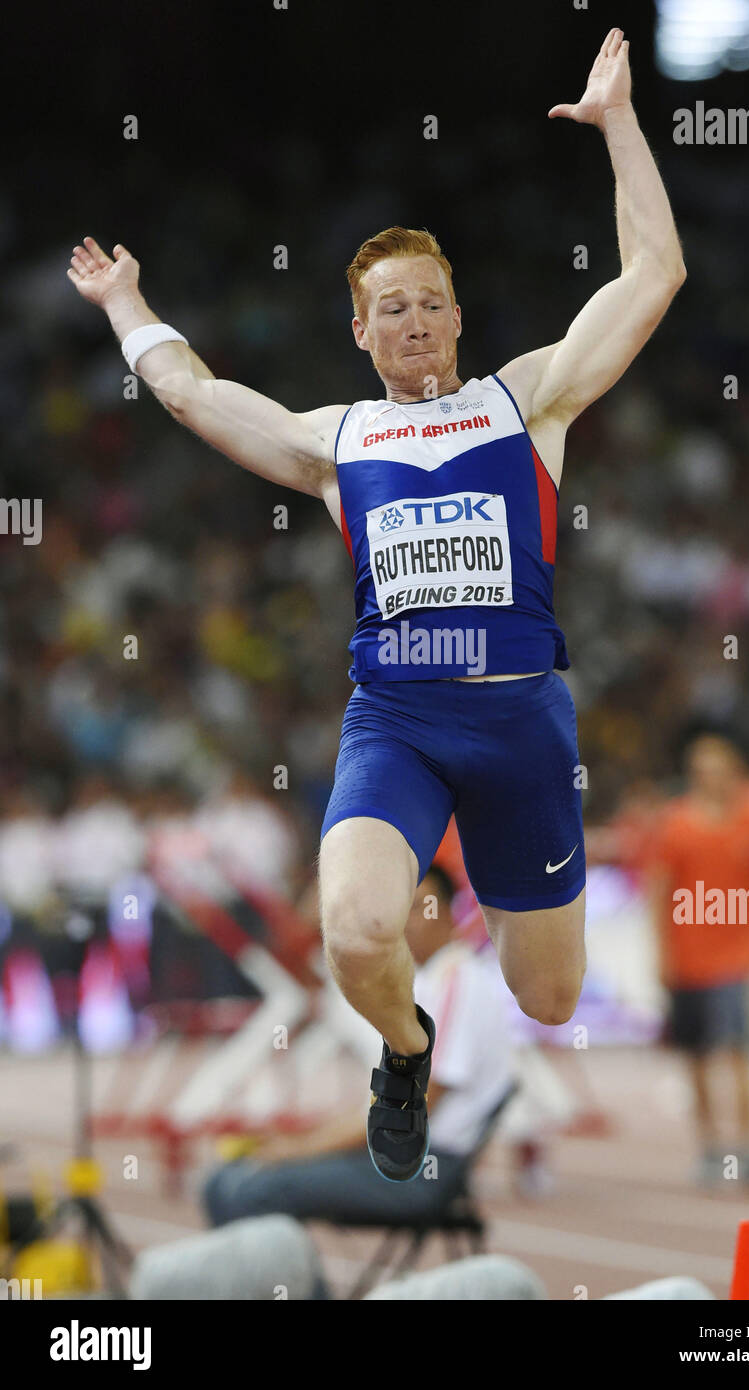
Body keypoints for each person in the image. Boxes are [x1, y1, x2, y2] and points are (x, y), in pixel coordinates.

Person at [67, 28, 686, 1180]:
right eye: (389, 306)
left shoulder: (529, 401)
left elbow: (652, 277)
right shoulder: (336, 443)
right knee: (354, 929)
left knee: (548, 997)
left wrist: (620, 126)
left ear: (457, 318)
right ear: (358, 331)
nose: (411, 319)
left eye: (429, 302)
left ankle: (473, 994)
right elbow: (196, 395)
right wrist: (126, 307)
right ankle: (406, 1050)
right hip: (394, 721)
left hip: (521, 723)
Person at [201, 864, 514, 1226]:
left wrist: (302, 1149)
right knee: (224, 1180)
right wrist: (305, 1142)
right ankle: (277, 1278)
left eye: (418, 909)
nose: (407, 923)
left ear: (448, 912)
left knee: (247, 1186)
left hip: (423, 1167)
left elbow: (418, 1105)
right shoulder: (431, 981)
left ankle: (292, 1283)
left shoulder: (455, 981)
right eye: (400, 911)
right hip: (404, 1155)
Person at [647, 733, 749, 1186]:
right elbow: (658, 891)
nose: (710, 779)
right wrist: (659, 954)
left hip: (738, 958)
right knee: (696, 1057)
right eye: (701, 771)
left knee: (738, 1053)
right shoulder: (675, 824)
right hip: (687, 957)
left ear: (735, 772)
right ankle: (711, 1147)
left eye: (717, 769)